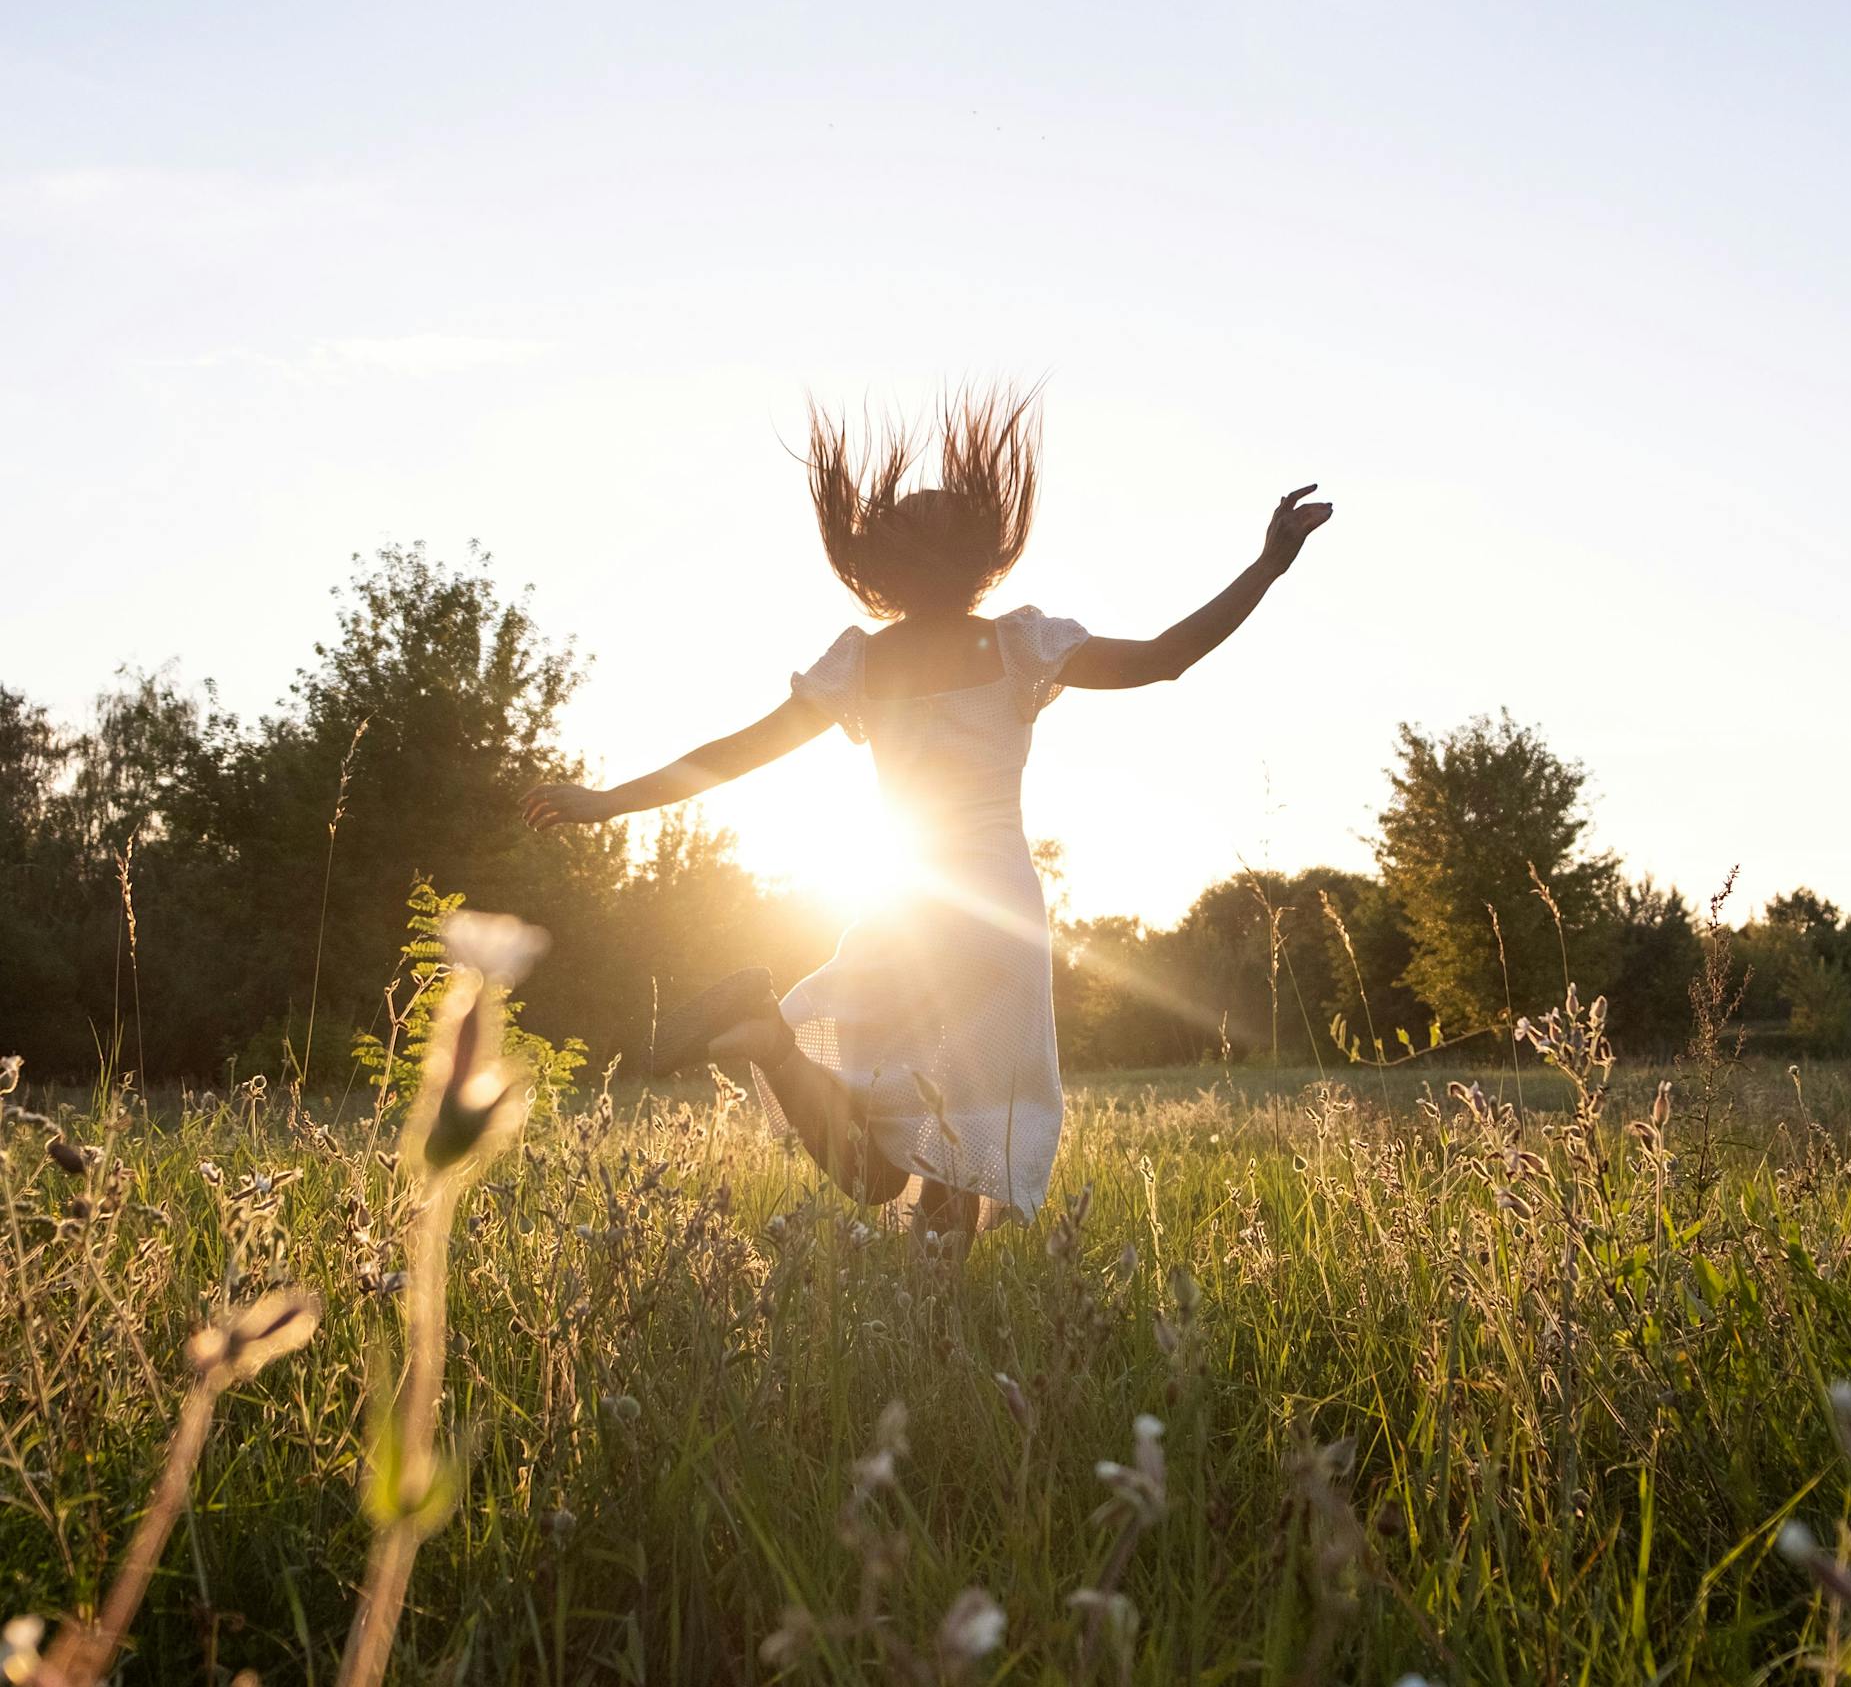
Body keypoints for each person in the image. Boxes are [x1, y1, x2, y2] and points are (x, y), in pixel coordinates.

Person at [523, 386, 1331, 1242]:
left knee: (893, 1155)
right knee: (959, 1133)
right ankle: (789, 1074)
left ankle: (773, 1047)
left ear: (883, 571)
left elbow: (735, 753)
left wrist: (610, 802)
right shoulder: (1020, 645)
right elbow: (1168, 659)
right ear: (984, 559)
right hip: (995, 917)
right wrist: (1267, 567)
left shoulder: (862, 664)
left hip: (902, 909)